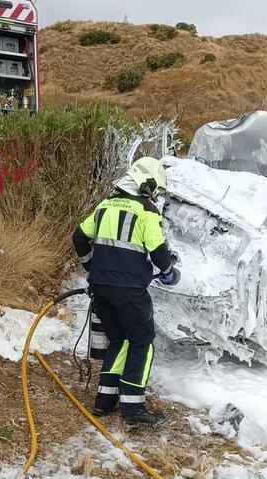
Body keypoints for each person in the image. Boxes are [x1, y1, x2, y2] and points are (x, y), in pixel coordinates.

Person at [72, 157, 180, 429]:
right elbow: (158, 252)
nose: (155, 196)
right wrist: (169, 272)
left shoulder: (105, 205)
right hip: (130, 292)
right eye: (154, 190)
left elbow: (79, 237)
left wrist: (90, 265)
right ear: (146, 185)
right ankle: (133, 408)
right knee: (142, 342)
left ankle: (105, 401)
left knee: (119, 340)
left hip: (101, 290)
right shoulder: (147, 212)